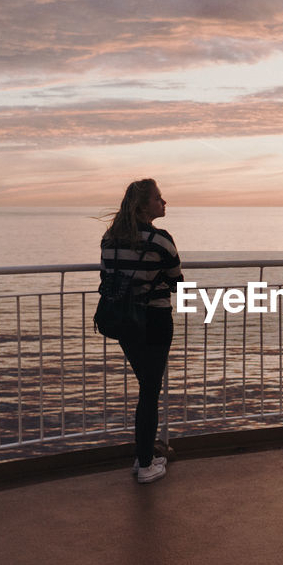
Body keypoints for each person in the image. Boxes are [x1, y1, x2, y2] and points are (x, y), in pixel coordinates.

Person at [101, 178, 182, 484]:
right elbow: (177, 282)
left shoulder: (110, 239)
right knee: (149, 390)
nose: (164, 203)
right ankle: (146, 465)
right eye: (159, 199)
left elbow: (107, 275)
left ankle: (144, 455)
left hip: (124, 321)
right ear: (144, 205)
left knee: (146, 385)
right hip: (155, 320)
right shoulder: (160, 239)